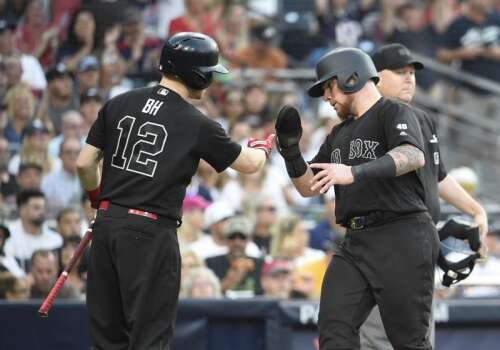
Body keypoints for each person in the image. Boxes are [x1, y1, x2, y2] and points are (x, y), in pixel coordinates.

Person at [76, 32, 274, 350]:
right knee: (149, 339)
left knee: (106, 341)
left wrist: (97, 198)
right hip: (150, 233)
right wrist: (263, 146)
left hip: (107, 226)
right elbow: (250, 165)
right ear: (197, 75)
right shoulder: (196, 122)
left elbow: (85, 164)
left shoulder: (118, 102)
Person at [275, 47, 438, 349]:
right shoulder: (338, 133)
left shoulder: (393, 111)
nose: (326, 96)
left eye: (328, 86)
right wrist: (291, 153)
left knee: (409, 341)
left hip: (401, 235)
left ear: (351, 77)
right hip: (356, 241)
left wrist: (354, 172)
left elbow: (413, 155)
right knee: (334, 332)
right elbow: (309, 187)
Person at [359, 42, 489, 350]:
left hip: (418, 249)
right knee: (380, 339)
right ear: (376, 77)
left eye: (412, 72)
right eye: (399, 72)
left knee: (417, 337)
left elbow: (438, 177)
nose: (409, 78)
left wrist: (475, 210)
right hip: (384, 247)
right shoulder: (366, 121)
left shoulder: (421, 118)